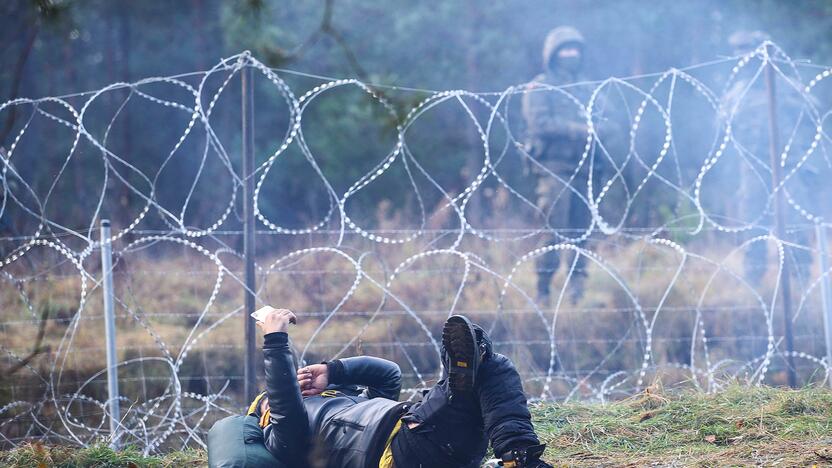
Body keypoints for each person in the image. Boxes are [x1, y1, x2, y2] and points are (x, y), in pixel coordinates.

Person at [247, 307, 553, 468]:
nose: (291, 392)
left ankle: (519, 454)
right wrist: (275, 338)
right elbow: (285, 406)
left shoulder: (349, 401)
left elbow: (389, 375)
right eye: (266, 405)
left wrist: (334, 371)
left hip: (435, 441)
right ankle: (459, 377)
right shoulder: (283, 438)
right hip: (402, 451)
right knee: (469, 377)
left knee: (491, 368)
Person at [521, 26, 594, 306]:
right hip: (554, 169)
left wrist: (598, 130)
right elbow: (539, 123)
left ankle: (577, 292)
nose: (570, 55)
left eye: (575, 50)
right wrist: (581, 130)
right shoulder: (540, 87)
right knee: (553, 232)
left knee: (581, 232)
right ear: (552, 54)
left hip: (585, 169)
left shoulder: (587, 88)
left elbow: (610, 122)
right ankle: (543, 291)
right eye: (565, 50)